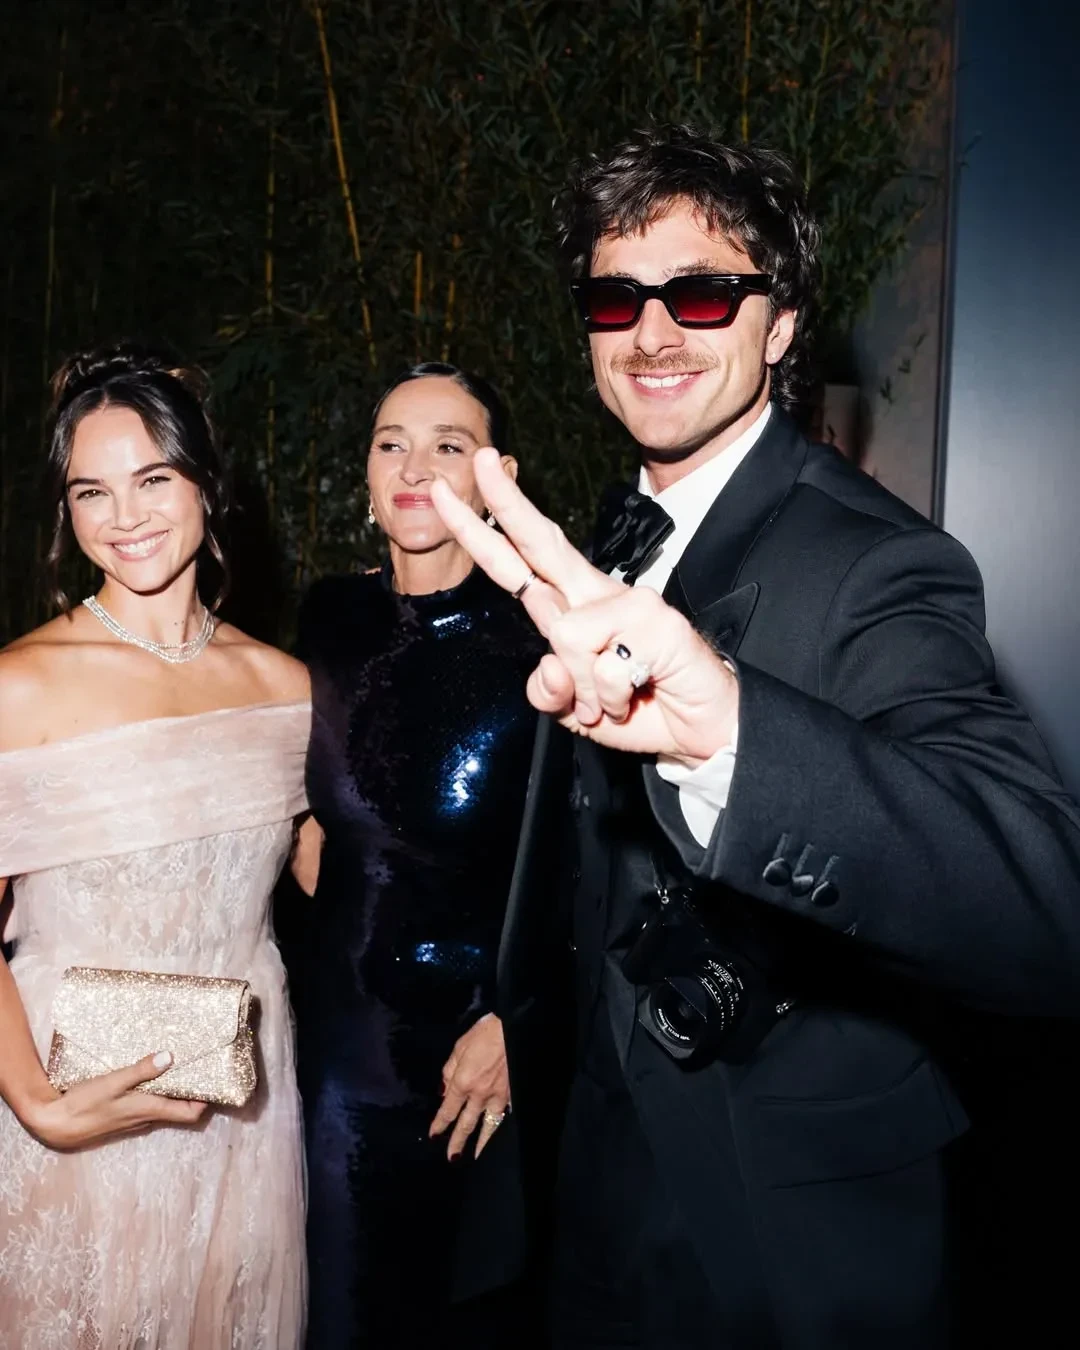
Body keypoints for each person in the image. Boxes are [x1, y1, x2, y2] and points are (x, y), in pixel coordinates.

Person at [429, 126, 1080, 1350]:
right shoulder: (608, 538)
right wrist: (515, 1018)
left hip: (785, 1223)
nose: (652, 332)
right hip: (590, 1177)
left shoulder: (880, 561)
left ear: (779, 324)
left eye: (702, 293)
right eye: (617, 298)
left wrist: (733, 732)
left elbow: (1046, 901)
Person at [0, 343, 311, 1349]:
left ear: (207, 484)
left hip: (240, 1117)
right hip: (67, 1105)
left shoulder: (287, 690)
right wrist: (37, 1105)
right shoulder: (18, 685)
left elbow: (360, 884)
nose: (123, 516)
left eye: (153, 479)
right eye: (91, 491)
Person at [290, 362, 550, 1348]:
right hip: (336, 1051)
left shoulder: (543, 639)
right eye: (391, 443)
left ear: (498, 476)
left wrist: (521, 1024)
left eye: (449, 445)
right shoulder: (328, 619)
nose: (413, 467)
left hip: (479, 1062)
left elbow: (593, 867)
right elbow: (307, 804)